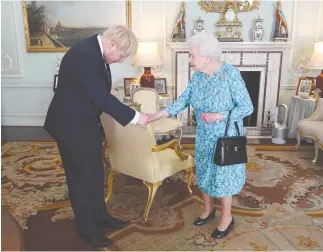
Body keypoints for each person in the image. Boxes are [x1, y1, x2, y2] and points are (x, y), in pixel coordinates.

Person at [44, 25, 149, 247]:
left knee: (95, 173)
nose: (121, 60)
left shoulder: (95, 50)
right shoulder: (85, 54)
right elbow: (99, 97)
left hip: (85, 122)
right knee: (81, 179)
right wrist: (136, 117)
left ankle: (101, 216)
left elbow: (93, 88)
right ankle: (87, 230)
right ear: (112, 44)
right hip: (70, 126)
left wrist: (103, 91)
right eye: (121, 55)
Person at [148, 33, 253, 238]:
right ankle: (208, 209)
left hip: (225, 136)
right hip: (204, 136)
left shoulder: (230, 74)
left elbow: (247, 107)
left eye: (192, 55)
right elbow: (184, 99)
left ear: (207, 56)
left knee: (223, 178)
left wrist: (218, 116)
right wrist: (160, 113)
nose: (190, 60)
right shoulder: (198, 76)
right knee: (204, 172)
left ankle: (227, 217)